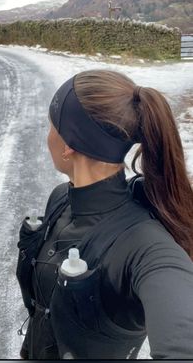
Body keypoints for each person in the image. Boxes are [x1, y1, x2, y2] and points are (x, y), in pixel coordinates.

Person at [16, 70, 193, 360]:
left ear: (68, 145)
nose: (47, 135)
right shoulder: (61, 198)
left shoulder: (146, 247)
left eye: (51, 125)